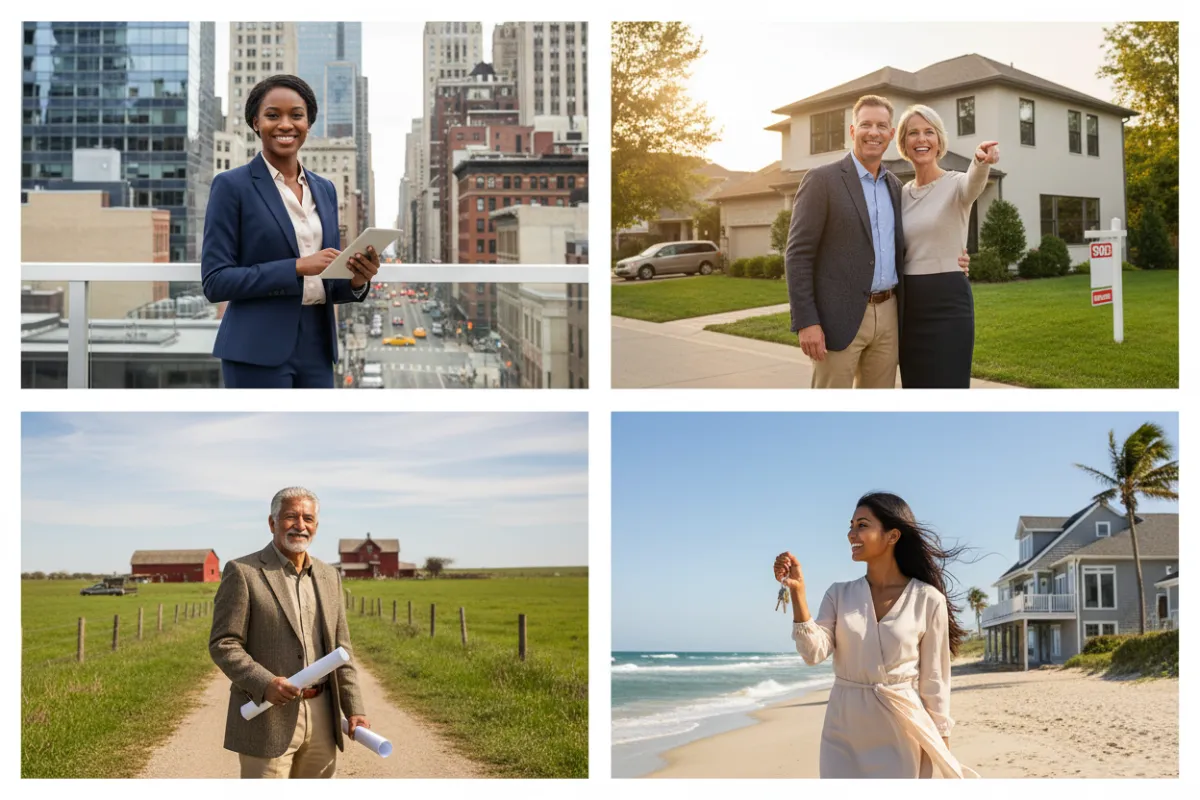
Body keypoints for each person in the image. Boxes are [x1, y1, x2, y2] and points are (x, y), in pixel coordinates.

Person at [772, 492, 978, 778]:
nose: (851, 534)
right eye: (851, 525)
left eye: (862, 525)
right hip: (842, 729)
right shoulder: (839, 594)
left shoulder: (928, 599)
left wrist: (941, 747)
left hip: (900, 729)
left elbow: (935, 681)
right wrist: (798, 593)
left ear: (892, 535)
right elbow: (812, 652)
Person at [201, 75, 380, 388]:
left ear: (308, 123)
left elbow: (328, 282)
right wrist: (298, 267)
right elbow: (216, 282)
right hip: (256, 348)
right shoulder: (231, 186)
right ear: (256, 123)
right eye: (273, 115)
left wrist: (356, 279)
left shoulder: (325, 190)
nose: (285, 124)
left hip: (319, 347)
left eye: (296, 115)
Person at [784, 95, 968, 389]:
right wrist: (807, 321)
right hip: (838, 319)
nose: (874, 132)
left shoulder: (896, 188)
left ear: (891, 134)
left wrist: (955, 256)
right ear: (853, 130)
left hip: (889, 316)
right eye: (866, 124)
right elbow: (798, 255)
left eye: (882, 126)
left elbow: (916, 240)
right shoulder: (822, 180)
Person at [210, 487, 370, 778]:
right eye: (290, 517)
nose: (300, 525)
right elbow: (224, 644)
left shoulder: (329, 575)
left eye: (308, 518)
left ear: (316, 526)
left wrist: (354, 708)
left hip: (323, 714)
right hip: (267, 716)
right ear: (272, 523)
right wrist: (264, 682)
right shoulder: (243, 572)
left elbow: (341, 649)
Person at [895, 105, 998, 388]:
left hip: (948, 303)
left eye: (929, 132)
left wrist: (980, 161)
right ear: (903, 143)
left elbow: (974, 183)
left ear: (939, 141)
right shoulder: (900, 194)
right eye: (913, 133)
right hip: (909, 305)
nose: (922, 139)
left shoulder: (956, 184)